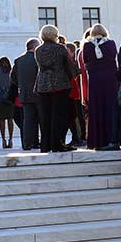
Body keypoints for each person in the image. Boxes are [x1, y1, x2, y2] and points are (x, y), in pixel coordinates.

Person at [34, 24, 80, 153]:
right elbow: (69, 65)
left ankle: (45, 145)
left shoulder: (38, 50)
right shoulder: (60, 48)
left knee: (45, 117)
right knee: (59, 116)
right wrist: (75, 74)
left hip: (43, 85)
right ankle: (57, 144)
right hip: (60, 84)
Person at [81, 25, 120, 150]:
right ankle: (112, 138)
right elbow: (115, 57)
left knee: (96, 108)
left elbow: (85, 60)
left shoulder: (87, 45)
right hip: (110, 79)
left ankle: (97, 140)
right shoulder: (111, 43)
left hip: (95, 80)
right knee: (110, 108)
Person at [13, 39, 41, 151]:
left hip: (24, 94)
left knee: (28, 120)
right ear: (34, 47)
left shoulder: (18, 60)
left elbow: (13, 78)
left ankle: (27, 143)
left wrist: (21, 85)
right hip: (38, 93)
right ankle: (39, 142)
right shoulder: (37, 59)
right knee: (41, 119)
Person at [0, 56, 17, 149]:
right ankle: (10, 139)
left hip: (0, 99)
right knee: (10, 119)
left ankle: (3, 140)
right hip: (10, 98)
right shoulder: (11, 71)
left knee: (2, 119)